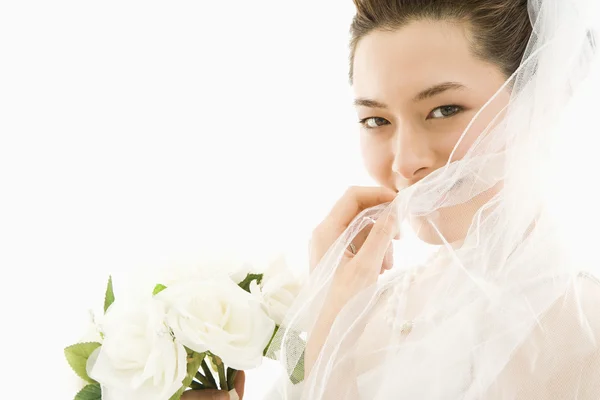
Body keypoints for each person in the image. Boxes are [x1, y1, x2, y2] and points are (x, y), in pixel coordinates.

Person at [266, 0, 600, 398]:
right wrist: (331, 319)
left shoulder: (585, 331)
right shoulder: (361, 309)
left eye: (444, 110)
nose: (406, 162)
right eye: (377, 120)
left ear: (536, 97)